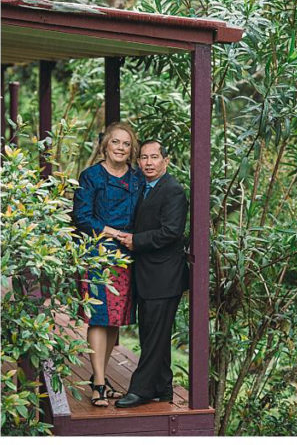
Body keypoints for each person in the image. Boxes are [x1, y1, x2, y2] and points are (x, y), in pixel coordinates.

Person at [73, 121, 144, 407]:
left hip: (127, 257)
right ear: (105, 145)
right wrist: (113, 233)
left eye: (126, 144)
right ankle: (99, 382)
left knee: (117, 318)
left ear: (131, 150)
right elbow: (82, 216)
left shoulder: (137, 179)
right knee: (99, 317)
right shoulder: (91, 176)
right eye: (116, 142)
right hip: (98, 253)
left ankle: (98, 378)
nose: (120, 148)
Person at [115, 140, 189, 408]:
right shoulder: (144, 188)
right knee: (151, 334)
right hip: (148, 276)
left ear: (165, 161)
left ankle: (141, 390)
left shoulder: (173, 191)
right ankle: (163, 387)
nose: (148, 162)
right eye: (144, 157)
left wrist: (136, 240)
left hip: (164, 277)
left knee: (154, 335)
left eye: (154, 157)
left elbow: (171, 232)